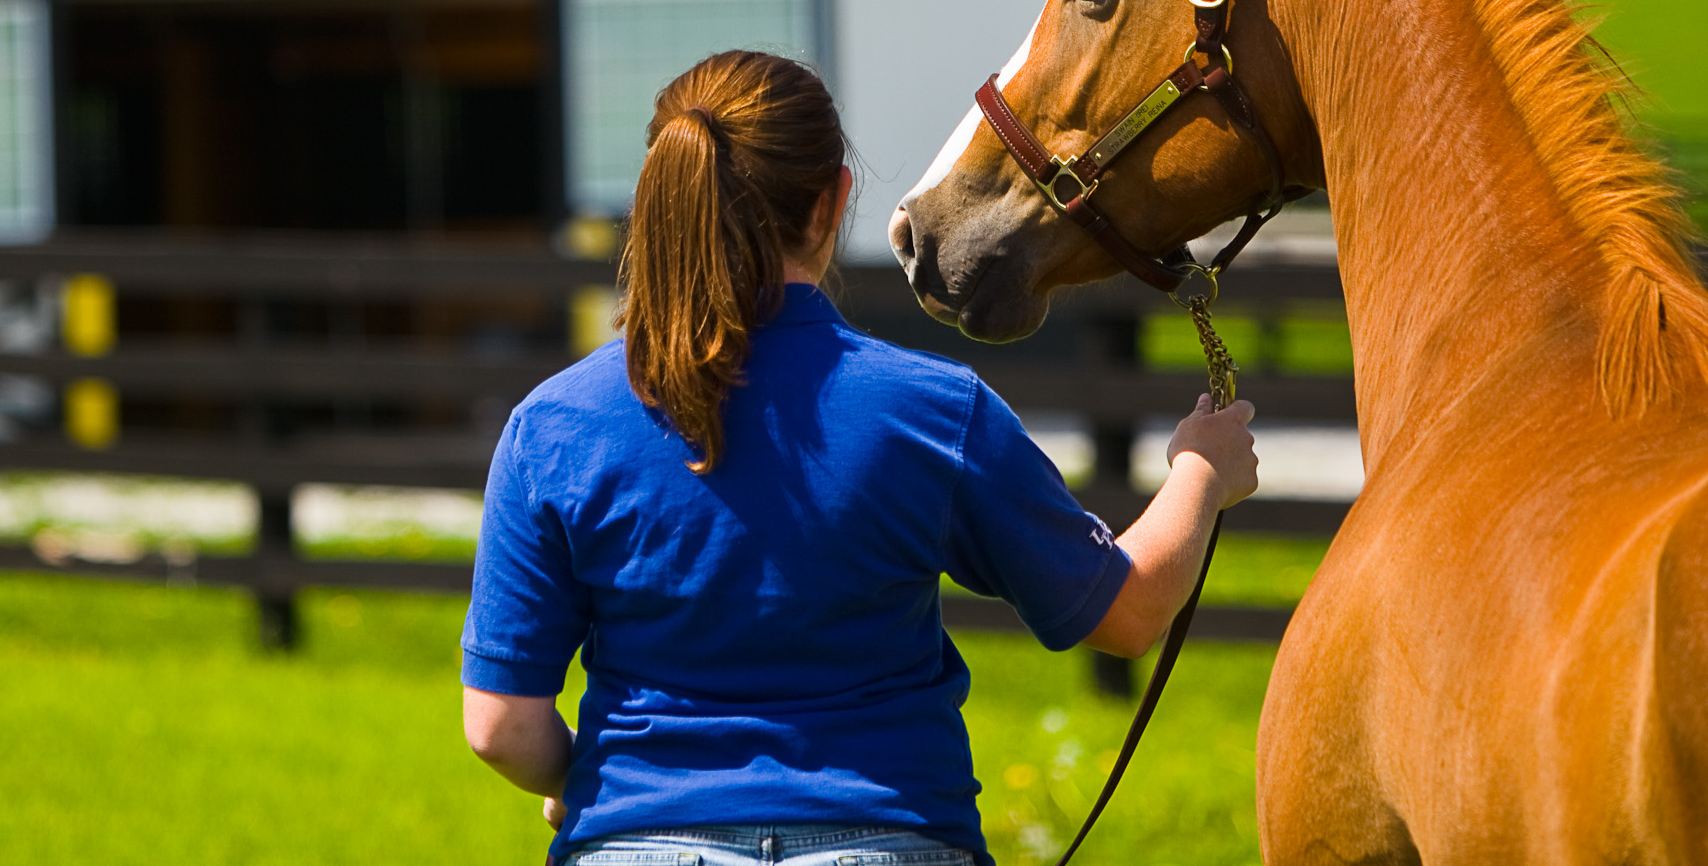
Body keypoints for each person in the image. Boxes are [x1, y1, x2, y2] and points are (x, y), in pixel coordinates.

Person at [460, 50, 1258, 866]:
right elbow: (1124, 614)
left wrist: (589, 776)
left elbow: (500, 726)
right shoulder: (932, 411)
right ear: (833, 203)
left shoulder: (554, 426)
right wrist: (1203, 471)